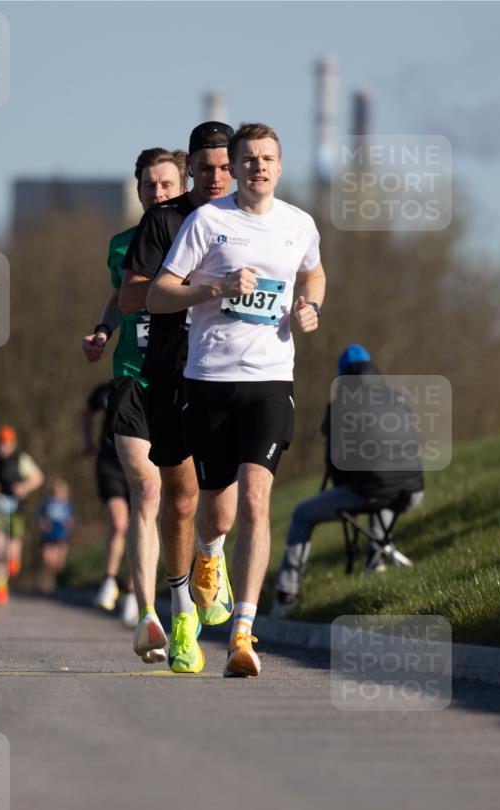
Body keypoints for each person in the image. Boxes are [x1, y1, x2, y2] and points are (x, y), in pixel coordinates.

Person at [147, 123, 326, 677]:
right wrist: (215, 289)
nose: (258, 167)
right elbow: (158, 294)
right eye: (249, 159)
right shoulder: (208, 222)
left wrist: (311, 307)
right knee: (218, 513)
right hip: (209, 381)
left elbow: (314, 273)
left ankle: (243, 635)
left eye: (268, 158)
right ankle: (208, 554)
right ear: (237, 167)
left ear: (280, 165)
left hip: (271, 381)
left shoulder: (299, 224)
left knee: (255, 500)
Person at [120, 122, 236, 674]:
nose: (217, 177)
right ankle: (182, 609)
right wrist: (191, 288)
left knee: (230, 499)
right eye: (206, 167)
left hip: (234, 370)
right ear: (189, 168)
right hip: (171, 370)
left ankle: (212, 555)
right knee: (182, 497)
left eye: (226, 167)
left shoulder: (254, 221)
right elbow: (129, 297)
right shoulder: (163, 220)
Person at [83, 148, 187, 655]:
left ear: (182, 185)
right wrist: (104, 330)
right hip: (132, 377)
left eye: (166, 184)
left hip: (185, 378)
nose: (157, 192)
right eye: (149, 185)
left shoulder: (198, 233)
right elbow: (118, 295)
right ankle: (147, 614)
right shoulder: (121, 244)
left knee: (188, 499)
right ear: (138, 189)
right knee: (146, 490)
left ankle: (189, 595)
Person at [271, 344, 425, 616]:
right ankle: (377, 557)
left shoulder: (340, 407)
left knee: (302, 514)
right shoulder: (398, 398)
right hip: (413, 491)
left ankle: (286, 595)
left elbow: (335, 466)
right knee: (384, 487)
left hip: (372, 492)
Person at [82, 383, 138, 628]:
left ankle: (132, 593)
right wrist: (87, 440)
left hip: (139, 462)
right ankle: (109, 580)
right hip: (110, 464)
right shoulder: (104, 391)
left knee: (137, 526)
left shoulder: (146, 382)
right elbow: (86, 413)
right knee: (118, 521)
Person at [0, 425, 44, 606]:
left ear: (13, 443)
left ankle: (13, 563)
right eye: (1, 443)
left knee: (12, 548)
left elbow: (38, 477)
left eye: (7, 443)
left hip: (16, 509)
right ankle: (1, 589)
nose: (3, 447)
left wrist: (24, 487)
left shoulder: (21, 459)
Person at [37, 477, 76, 593]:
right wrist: (43, 524)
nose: (59, 494)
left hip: (62, 536)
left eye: (62, 491)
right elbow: (39, 516)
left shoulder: (68, 505)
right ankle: (48, 580)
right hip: (49, 536)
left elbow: (73, 519)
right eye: (57, 491)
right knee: (47, 559)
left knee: (59, 563)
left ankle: (56, 581)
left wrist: (69, 522)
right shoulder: (47, 503)